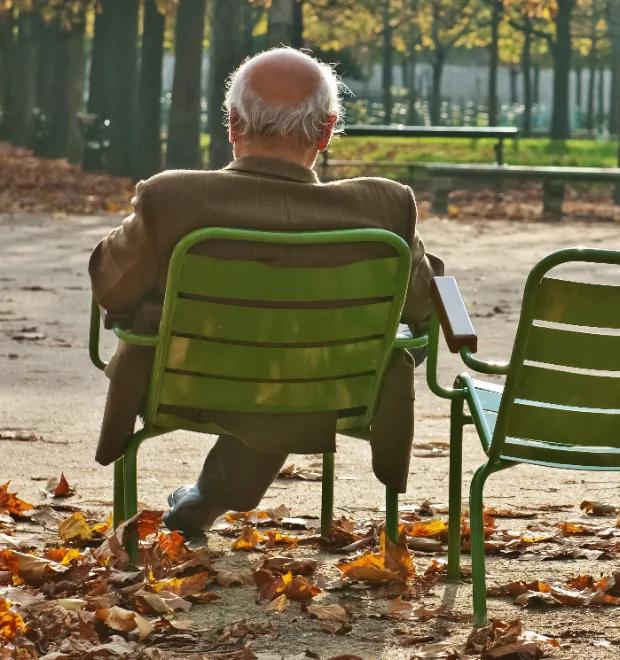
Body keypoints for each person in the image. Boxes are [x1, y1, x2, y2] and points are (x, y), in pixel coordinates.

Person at [89, 47, 438, 541]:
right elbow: (423, 306)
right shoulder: (384, 209)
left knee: (265, 360)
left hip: (187, 386)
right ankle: (210, 496)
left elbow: (111, 289)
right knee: (328, 354)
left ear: (232, 124)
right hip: (336, 390)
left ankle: (208, 497)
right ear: (326, 130)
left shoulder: (173, 199)